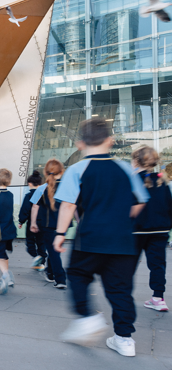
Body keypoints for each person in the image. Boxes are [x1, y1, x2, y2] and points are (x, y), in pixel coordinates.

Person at [54, 117, 149, 357]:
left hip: (90, 237)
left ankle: (87, 318)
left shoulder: (77, 169)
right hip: (123, 240)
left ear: (80, 144)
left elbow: (67, 206)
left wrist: (59, 234)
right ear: (110, 140)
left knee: (77, 274)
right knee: (120, 289)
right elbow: (139, 203)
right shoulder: (126, 168)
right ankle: (125, 339)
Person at [131, 146, 172, 312]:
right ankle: (158, 298)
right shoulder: (163, 181)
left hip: (137, 230)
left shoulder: (133, 180)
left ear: (136, 161)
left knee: (128, 263)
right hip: (160, 231)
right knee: (158, 265)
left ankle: (123, 295)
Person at [30, 159, 67, 289]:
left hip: (47, 225)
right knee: (55, 251)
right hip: (63, 224)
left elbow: (35, 207)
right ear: (62, 171)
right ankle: (51, 273)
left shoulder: (41, 188)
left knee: (53, 252)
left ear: (45, 173)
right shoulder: (67, 187)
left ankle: (60, 278)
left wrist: (33, 223)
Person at [18, 171, 45, 271]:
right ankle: (41, 262)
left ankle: (36, 257)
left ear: (29, 184)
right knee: (42, 243)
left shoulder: (29, 195)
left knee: (30, 242)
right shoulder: (44, 195)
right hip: (43, 222)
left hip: (32, 223)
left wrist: (21, 221)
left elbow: (25, 209)